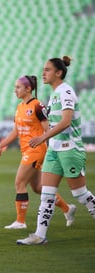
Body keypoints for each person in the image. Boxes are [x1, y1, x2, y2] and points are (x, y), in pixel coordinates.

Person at [17, 56, 95, 245]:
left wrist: (43, 137)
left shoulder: (66, 92)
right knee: (46, 195)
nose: (43, 73)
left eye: (48, 70)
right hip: (54, 150)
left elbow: (66, 121)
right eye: (44, 69)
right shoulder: (53, 95)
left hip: (70, 150)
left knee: (80, 194)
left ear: (58, 73)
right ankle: (39, 236)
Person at [0, 75, 76, 229]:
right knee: (38, 188)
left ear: (28, 89)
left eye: (18, 87)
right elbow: (15, 131)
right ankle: (67, 208)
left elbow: (48, 129)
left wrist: (48, 145)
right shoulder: (19, 108)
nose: (15, 90)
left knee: (19, 183)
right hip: (26, 150)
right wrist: (1, 145)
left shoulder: (38, 106)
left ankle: (20, 222)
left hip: (36, 150)